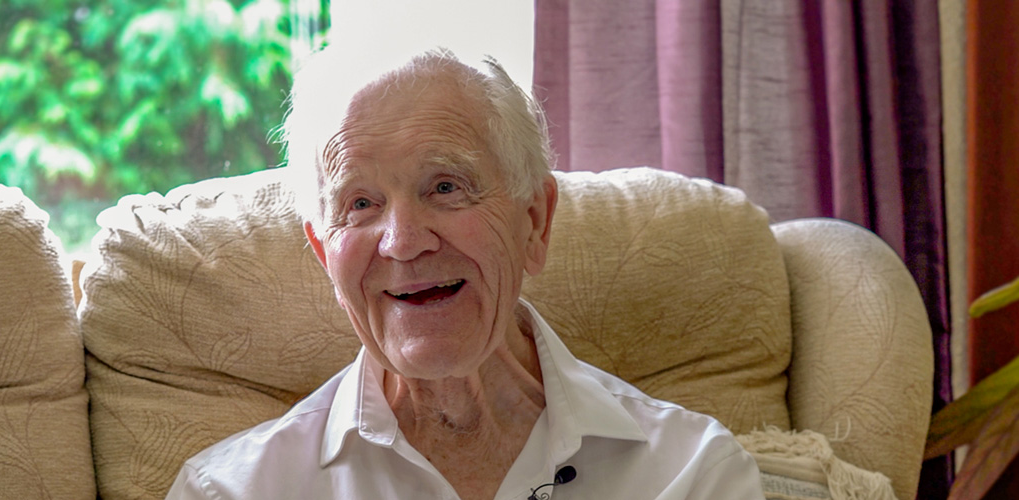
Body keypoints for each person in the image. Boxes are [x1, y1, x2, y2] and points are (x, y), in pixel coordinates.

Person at [165, 45, 765, 500]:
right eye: (360, 204)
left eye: (445, 187)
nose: (402, 243)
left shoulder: (690, 473)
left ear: (535, 222)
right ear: (326, 255)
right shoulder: (234, 490)